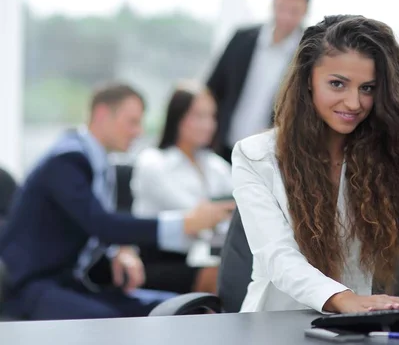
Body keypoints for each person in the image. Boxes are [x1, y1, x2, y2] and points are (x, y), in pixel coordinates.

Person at [231, 15, 399, 313]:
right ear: (307, 80)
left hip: (355, 325)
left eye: (367, 88)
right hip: (274, 325)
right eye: (337, 84)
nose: (353, 103)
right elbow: (279, 257)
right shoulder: (255, 155)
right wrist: (344, 299)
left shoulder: (391, 154)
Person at [0, 82, 233, 320]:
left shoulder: (100, 162)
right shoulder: (66, 160)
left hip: (75, 283)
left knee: (182, 309)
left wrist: (118, 251)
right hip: (33, 287)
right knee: (109, 323)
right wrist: (185, 222)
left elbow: (91, 227)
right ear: (101, 115)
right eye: (132, 122)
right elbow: (101, 224)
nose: (138, 132)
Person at [131, 81, 234, 294]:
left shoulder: (215, 165)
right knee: (221, 275)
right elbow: (197, 217)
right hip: (158, 260)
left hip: (206, 257)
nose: (208, 125)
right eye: (198, 116)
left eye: (211, 116)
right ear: (177, 117)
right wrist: (219, 215)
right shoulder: (153, 162)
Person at [207, 0, 312, 163]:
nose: (285, 17)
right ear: (273, 3)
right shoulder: (242, 38)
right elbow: (213, 88)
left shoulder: (308, 54)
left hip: (270, 158)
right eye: (281, 8)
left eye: (294, 11)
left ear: (305, 11)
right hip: (222, 148)